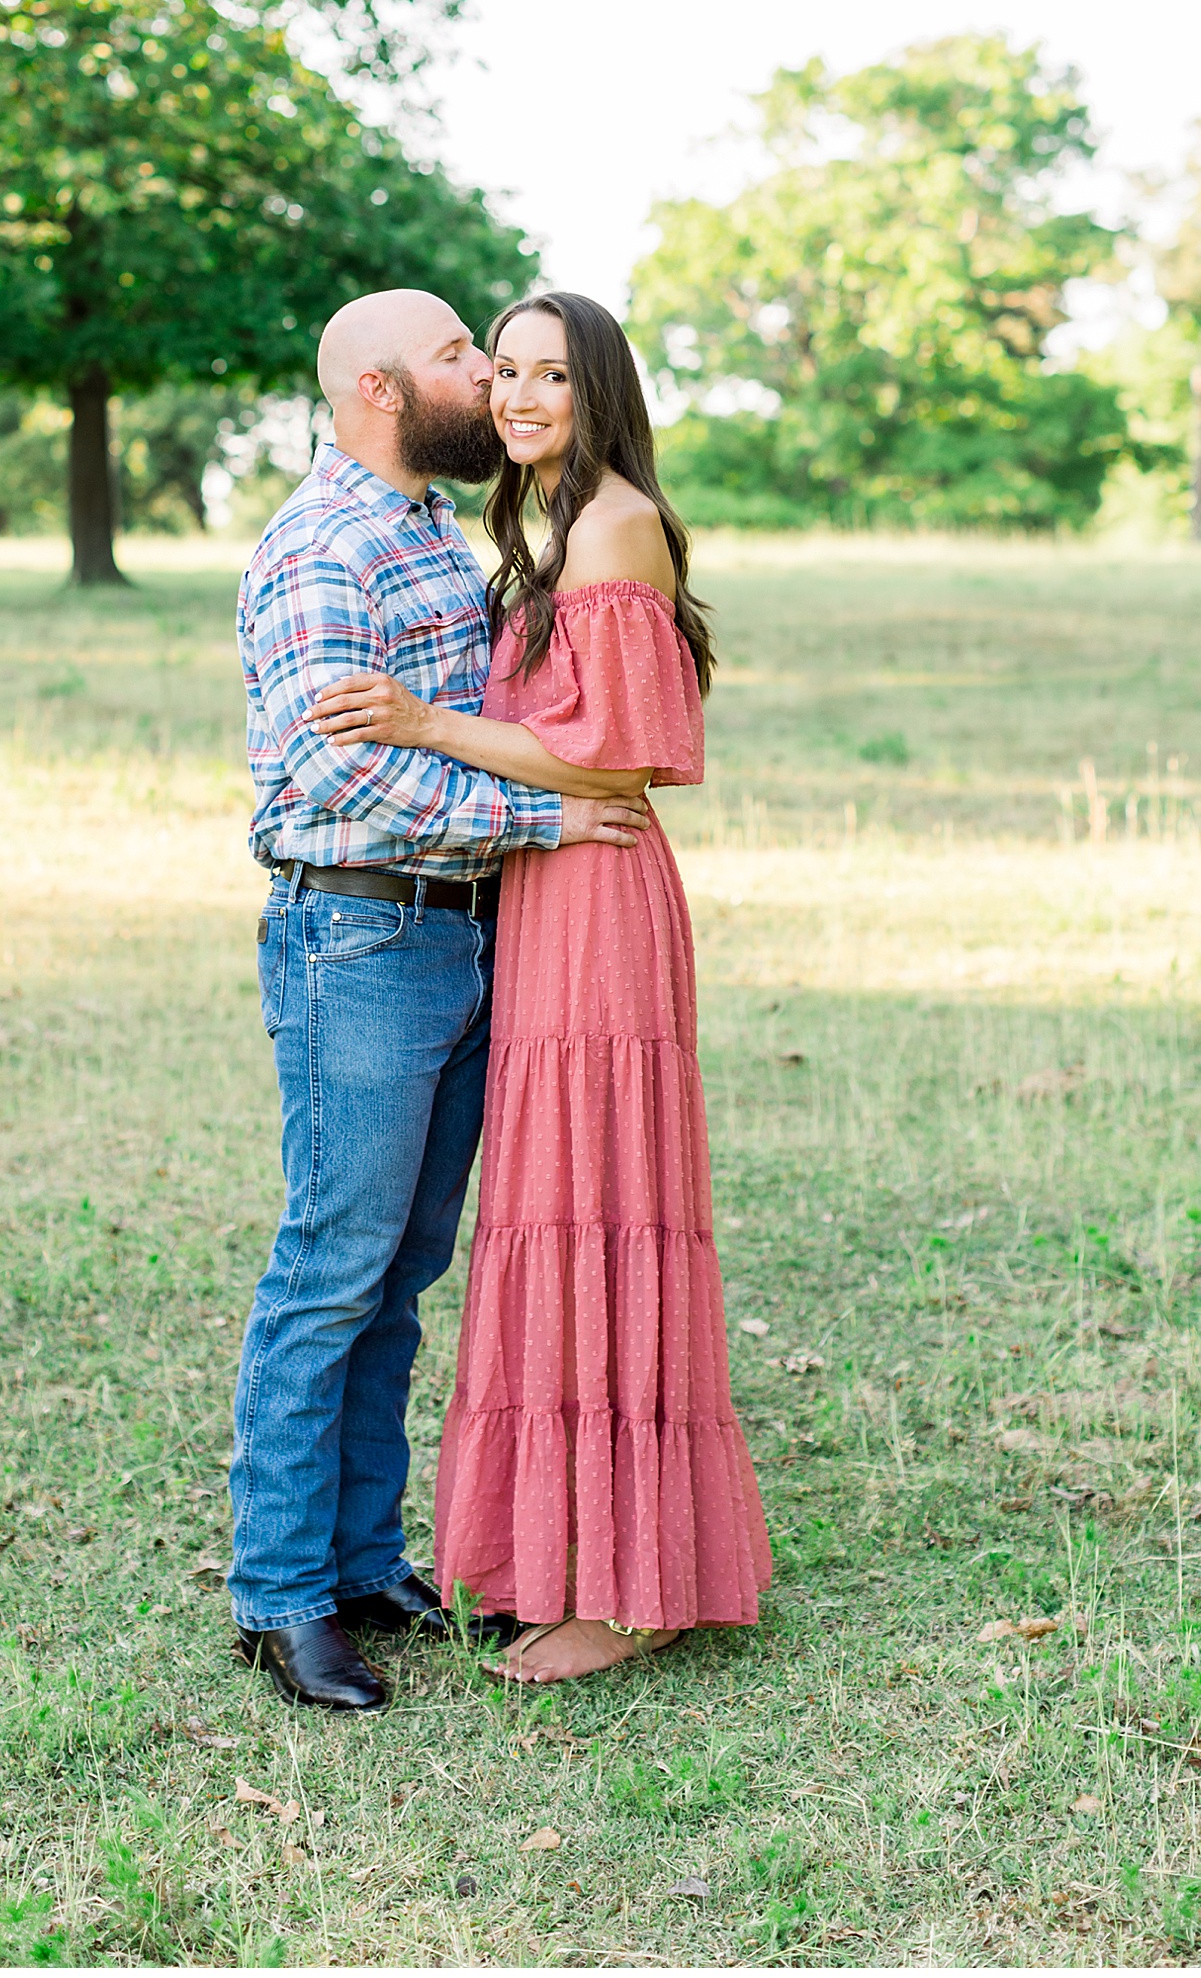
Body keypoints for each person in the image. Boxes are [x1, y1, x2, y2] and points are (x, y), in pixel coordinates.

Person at [309, 291, 772, 1683]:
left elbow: (619, 759)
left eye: (548, 375)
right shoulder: (540, 527)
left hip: (599, 890)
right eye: (501, 370)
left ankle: (629, 1593)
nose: (515, 395)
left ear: (599, 390)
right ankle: (567, 1556)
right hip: (542, 886)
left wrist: (425, 720)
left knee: (601, 1209)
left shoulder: (615, 522)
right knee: (550, 1210)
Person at [229, 286, 656, 1714]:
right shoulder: (322, 546)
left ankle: (362, 1561)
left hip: (465, 934)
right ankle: (280, 1594)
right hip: (360, 937)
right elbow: (334, 766)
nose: (488, 376)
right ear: (380, 389)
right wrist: (541, 817)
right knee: (331, 1268)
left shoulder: (432, 526)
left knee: (401, 1273)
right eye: (461, 355)